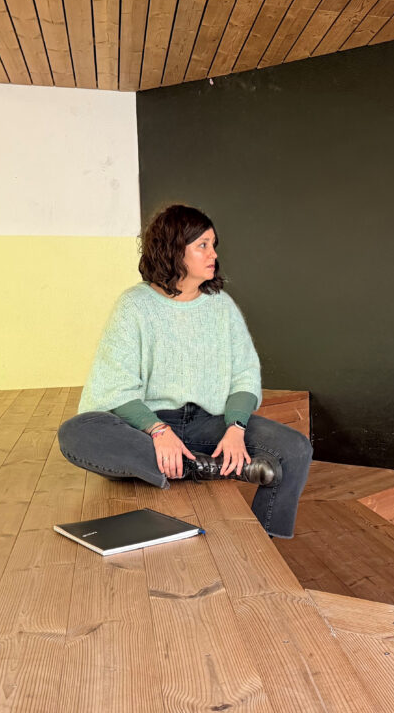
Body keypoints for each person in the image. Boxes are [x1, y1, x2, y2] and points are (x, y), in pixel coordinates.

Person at [58, 204, 311, 539]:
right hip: (145, 428)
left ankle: (264, 542)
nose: (213, 254)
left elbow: (245, 375)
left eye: (213, 244)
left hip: (207, 423)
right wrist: (158, 431)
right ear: (175, 249)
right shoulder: (134, 305)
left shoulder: (221, 306)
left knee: (296, 449)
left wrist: (235, 427)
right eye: (202, 245)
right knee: (76, 432)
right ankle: (200, 467)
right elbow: (115, 386)